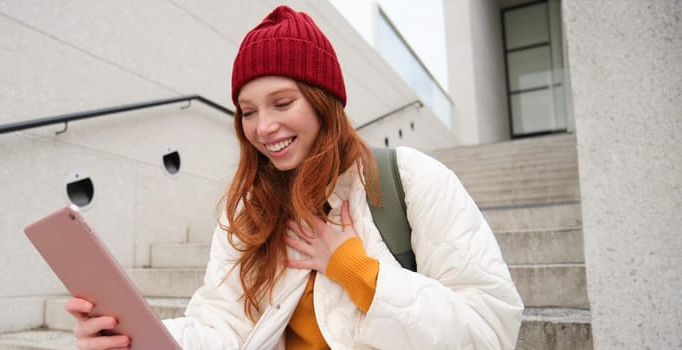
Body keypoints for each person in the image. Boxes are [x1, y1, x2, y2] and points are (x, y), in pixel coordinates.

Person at [65, 5, 523, 349]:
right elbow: (222, 325)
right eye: (248, 112)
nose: (263, 127)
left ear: (324, 102)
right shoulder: (249, 211)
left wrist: (356, 270)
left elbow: (489, 331)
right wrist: (138, 338)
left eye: (282, 104)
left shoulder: (412, 180)